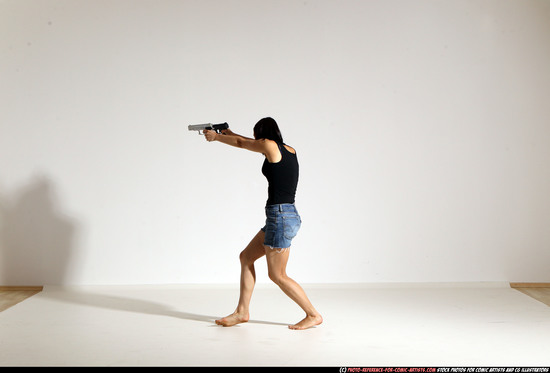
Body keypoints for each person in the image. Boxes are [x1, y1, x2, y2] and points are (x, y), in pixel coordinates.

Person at [202, 117, 323, 330]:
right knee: (246, 257)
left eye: (257, 134)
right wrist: (227, 132)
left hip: (281, 217)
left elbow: (242, 143)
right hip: (281, 216)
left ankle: (313, 315)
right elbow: (245, 141)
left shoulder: (268, 145)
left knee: (278, 275)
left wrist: (217, 138)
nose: (257, 138)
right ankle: (242, 312)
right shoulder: (288, 149)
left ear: (263, 133)